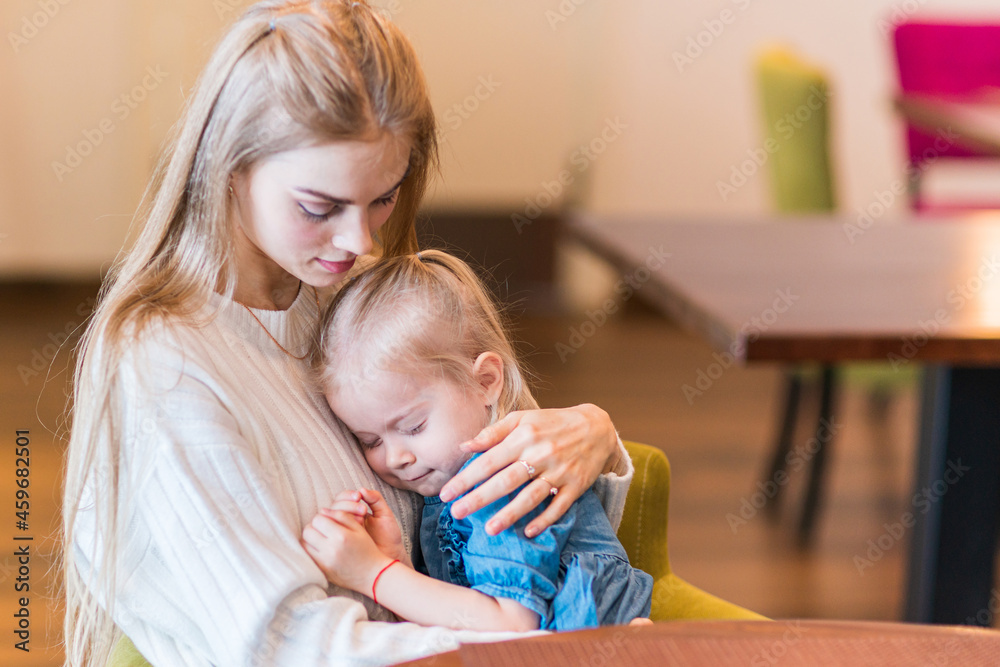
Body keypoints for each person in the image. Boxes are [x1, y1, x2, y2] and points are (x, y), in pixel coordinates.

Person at [61, 2, 634, 666]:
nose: (361, 241)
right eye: (318, 207)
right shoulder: (166, 366)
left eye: (384, 198)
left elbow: (532, 523)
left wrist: (591, 433)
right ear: (229, 165)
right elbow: (282, 647)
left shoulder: (344, 284)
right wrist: (532, 647)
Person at [302, 250, 654, 632]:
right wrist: (399, 560)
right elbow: (459, 623)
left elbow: (511, 627)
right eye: (369, 440)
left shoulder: (502, 480)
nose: (396, 457)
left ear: (485, 381)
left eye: (413, 426)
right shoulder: (447, 488)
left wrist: (375, 573)